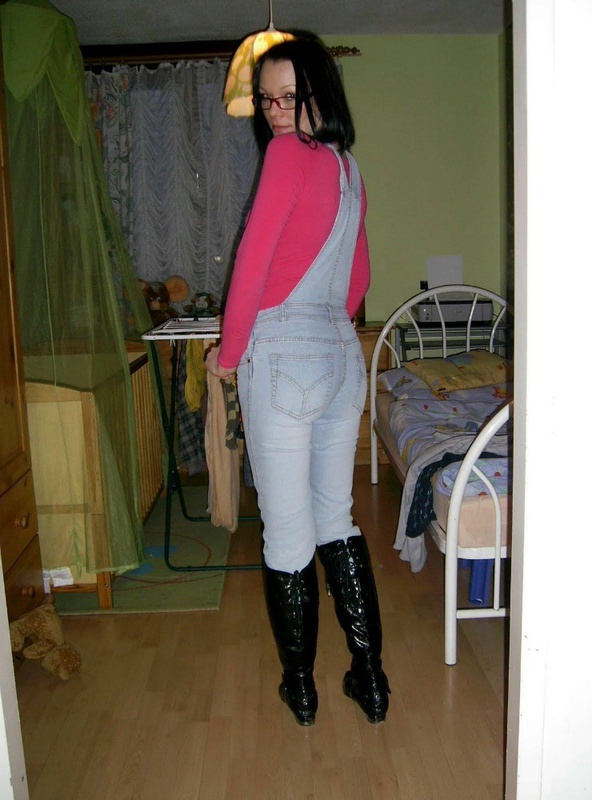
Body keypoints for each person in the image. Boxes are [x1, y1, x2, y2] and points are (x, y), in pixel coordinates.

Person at [205, 36, 390, 726]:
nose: (276, 110)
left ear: (319, 94)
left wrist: (229, 355)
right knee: (335, 517)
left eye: (290, 95)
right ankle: (370, 681)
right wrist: (324, 329)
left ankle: (302, 689)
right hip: (341, 354)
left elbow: (252, 264)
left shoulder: (286, 157)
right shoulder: (349, 169)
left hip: (283, 355)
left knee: (286, 532)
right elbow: (359, 278)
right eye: (266, 99)